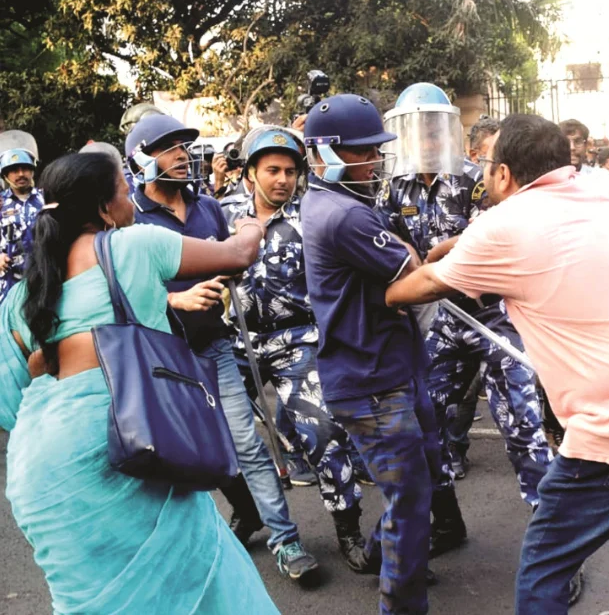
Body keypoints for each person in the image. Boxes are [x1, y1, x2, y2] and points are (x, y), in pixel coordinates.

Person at [384, 113, 609, 615]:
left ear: (503, 174)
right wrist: (436, 250)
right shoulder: (591, 197)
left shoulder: (504, 225)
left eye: (486, 163)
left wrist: (382, 282)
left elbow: (415, 288)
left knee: (544, 562)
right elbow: (465, 246)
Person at [0, 152, 278, 614]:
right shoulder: (135, 244)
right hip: (125, 451)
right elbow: (238, 255)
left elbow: (9, 399)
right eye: (125, 193)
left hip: (40, 476)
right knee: (204, 580)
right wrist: (253, 222)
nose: (132, 202)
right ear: (104, 209)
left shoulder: (22, 295)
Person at [126, 114, 318, 578]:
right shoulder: (128, 217)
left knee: (248, 446)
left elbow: (231, 262)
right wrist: (174, 298)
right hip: (160, 358)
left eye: (184, 146)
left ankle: (285, 541)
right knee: (176, 457)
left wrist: (227, 272)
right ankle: (191, 547)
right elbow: (121, 290)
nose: (182, 155)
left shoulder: (208, 208)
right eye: (168, 147)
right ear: (140, 159)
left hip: (214, 346)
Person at [378, 83, 551, 549]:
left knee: (523, 429)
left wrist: (435, 256)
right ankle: (446, 522)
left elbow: (492, 236)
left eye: (435, 133)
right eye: (418, 133)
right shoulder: (395, 188)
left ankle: (556, 552)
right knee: (425, 420)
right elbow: (389, 242)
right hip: (445, 320)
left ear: (449, 133)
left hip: (496, 316)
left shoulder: (478, 180)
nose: (427, 143)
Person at [301, 93, 439, 615]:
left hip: (388, 367)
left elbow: (408, 262)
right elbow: (416, 276)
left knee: (419, 481)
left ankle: (387, 552)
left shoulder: (345, 204)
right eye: (362, 152)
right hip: (372, 380)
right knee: (410, 500)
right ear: (325, 154)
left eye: (375, 150)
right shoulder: (344, 216)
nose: (375, 160)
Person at [221, 126, 368, 571]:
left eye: (290, 171)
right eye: (271, 170)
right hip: (235, 342)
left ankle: (349, 528)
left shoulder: (313, 216)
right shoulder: (222, 213)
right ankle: (248, 510)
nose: (282, 179)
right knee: (218, 437)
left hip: (296, 339)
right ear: (250, 173)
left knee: (322, 432)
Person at [0, 147, 44, 303]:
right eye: (14, 170)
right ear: (5, 175)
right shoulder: (1, 203)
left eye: (25, 168)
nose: (20, 174)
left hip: (44, 276)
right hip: (10, 281)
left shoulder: (46, 198)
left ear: (32, 171)